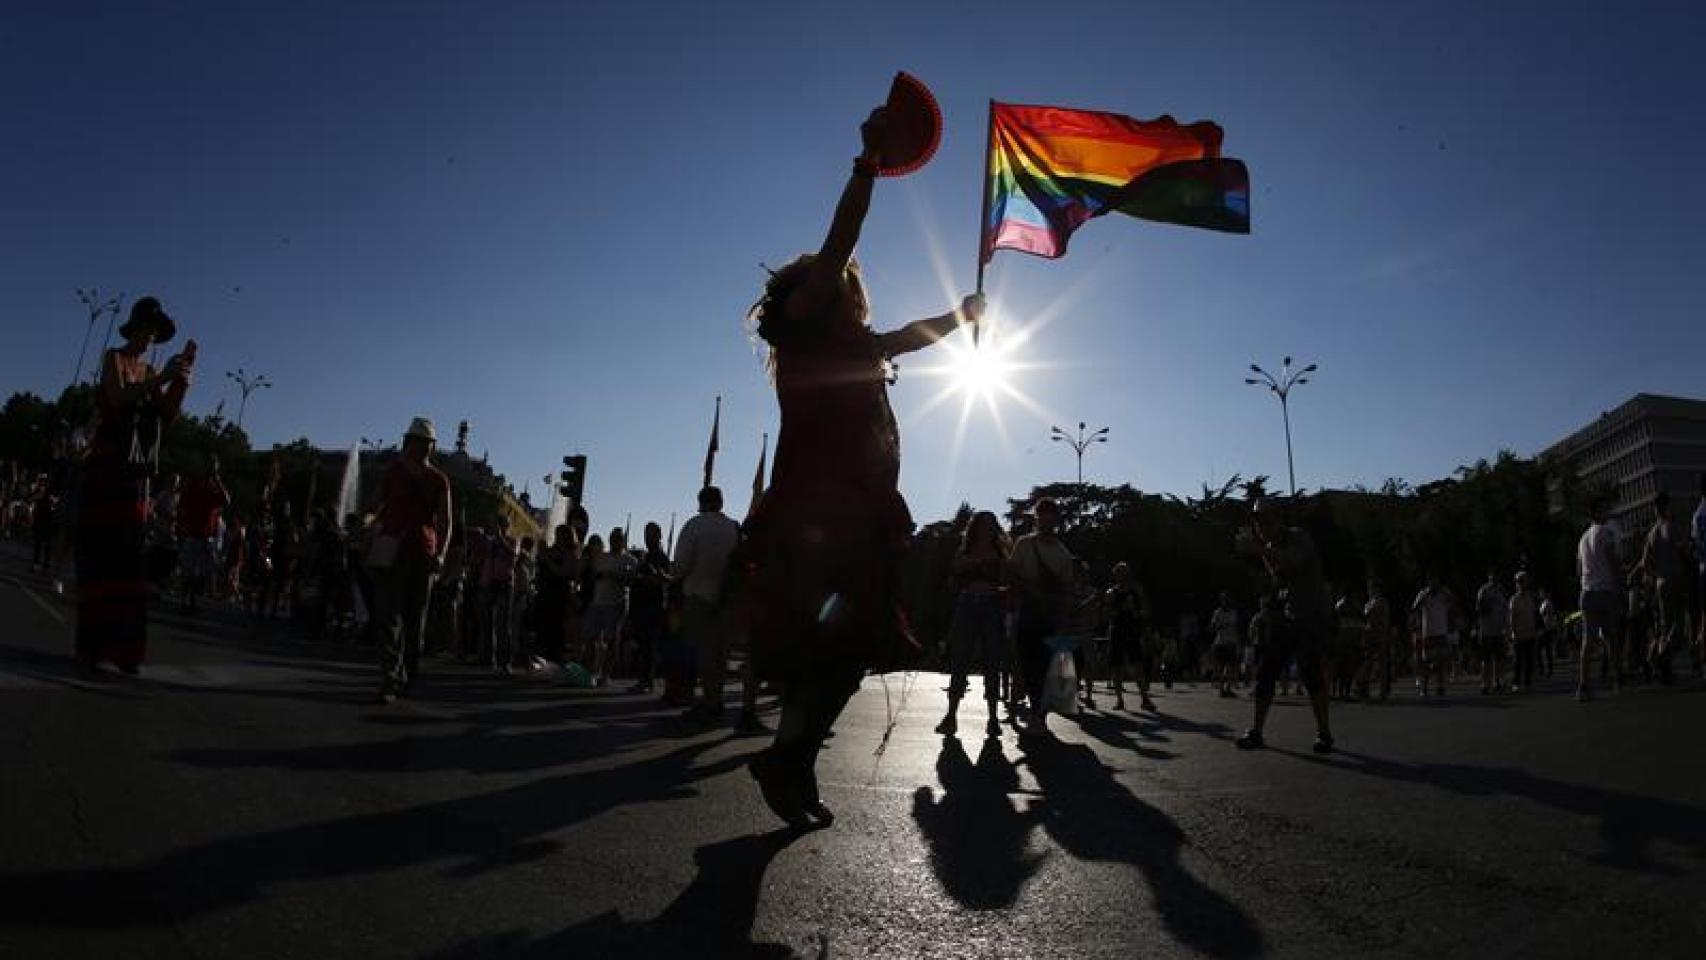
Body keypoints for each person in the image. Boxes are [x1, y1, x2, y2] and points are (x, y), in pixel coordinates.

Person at [740, 103, 986, 829]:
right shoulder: (808, 319)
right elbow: (841, 236)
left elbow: (905, 337)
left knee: (844, 652)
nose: (843, 282)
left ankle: (790, 761)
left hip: (853, 512)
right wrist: (868, 165)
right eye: (832, 277)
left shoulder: (851, 341)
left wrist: (961, 317)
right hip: (823, 514)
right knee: (835, 647)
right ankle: (788, 760)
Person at [73, 296, 191, 675]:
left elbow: (164, 417)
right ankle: (91, 648)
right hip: (106, 472)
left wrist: (180, 384)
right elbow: (118, 396)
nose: (150, 340)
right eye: (146, 331)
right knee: (99, 561)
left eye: (155, 334)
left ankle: (125, 651)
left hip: (134, 479)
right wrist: (160, 379)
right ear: (134, 329)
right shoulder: (115, 359)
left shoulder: (150, 371)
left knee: (128, 567)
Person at [1235, 498, 1334, 753]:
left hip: (1310, 614)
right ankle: (1257, 730)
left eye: (1265, 520)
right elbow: (1279, 577)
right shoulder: (1270, 545)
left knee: (1310, 671)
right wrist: (1264, 553)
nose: (1260, 525)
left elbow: (1293, 562)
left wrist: (1260, 551)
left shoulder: (1298, 537)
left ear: (1278, 520)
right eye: (1257, 521)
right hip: (1288, 614)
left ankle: (1324, 732)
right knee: (1266, 671)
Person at [368, 417, 452, 703]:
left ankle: (408, 676)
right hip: (392, 551)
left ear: (431, 447)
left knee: (415, 622)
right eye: (415, 442)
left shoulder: (438, 479)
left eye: (424, 443)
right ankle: (390, 678)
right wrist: (364, 524)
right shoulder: (393, 472)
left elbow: (446, 522)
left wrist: (440, 554)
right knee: (389, 618)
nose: (418, 448)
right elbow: (375, 504)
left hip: (423, 555)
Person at [935, 510, 1010, 738]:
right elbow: (956, 568)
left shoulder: (1000, 551)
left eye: (990, 524)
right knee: (960, 659)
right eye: (983, 524)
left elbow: (1008, 578)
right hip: (968, 603)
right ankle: (951, 715)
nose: (986, 529)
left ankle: (993, 718)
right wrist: (977, 562)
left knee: (992, 662)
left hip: (990, 604)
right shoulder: (965, 549)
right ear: (975, 527)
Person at [1010, 498, 1076, 734]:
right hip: (1028, 611)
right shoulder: (1024, 544)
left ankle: (1039, 713)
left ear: (1056, 519)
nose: (1046, 520)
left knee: (1045, 665)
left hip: (1049, 614)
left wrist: (1064, 620)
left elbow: (1067, 590)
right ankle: (1033, 708)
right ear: (1037, 518)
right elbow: (1012, 574)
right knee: (1027, 661)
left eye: (1050, 516)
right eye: (1043, 515)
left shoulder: (1062, 553)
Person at [674, 487, 741, 717]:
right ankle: (717, 697)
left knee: (704, 652)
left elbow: (682, 564)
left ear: (701, 502)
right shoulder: (734, 527)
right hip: (726, 597)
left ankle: (709, 700)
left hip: (698, 594)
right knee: (721, 652)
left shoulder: (694, 525)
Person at [1575, 497, 1622, 702]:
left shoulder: (1582, 538)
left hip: (1587, 591)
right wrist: (1619, 581)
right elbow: (1612, 560)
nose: (1605, 514)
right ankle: (1616, 678)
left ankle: (1583, 685)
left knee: (1588, 642)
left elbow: (1578, 570)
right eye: (1602, 510)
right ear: (1597, 513)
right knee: (1612, 636)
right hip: (1604, 590)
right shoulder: (1605, 533)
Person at [1636, 490, 1685, 684]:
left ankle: (1664, 668)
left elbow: (1645, 563)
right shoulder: (1671, 527)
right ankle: (1662, 658)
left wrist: (1656, 575)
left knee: (1665, 625)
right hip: (1675, 578)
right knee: (1679, 626)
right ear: (1667, 506)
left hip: (1660, 582)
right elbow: (1684, 550)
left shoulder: (1651, 533)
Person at [175, 456, 230, 615]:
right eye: (211, 467)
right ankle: (186, 599)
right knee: (189, 571)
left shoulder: (214, 489)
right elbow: (183, 505)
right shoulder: (195, 485)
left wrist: (217, 480)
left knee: (201, 572)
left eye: (215, 467)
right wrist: (181, 527)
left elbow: (227, 500)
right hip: (193, 534)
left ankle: (192, 598)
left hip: (206, 537)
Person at [584, 526, 634, 686]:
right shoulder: (601, 557)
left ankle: (605, 675)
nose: (614, 541)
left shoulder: (630, 560)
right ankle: (591, 672)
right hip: (597, 601)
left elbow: (631, 581)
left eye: (618, 539)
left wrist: (614, 576)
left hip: (616, 603)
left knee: (611, 639)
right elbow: (592, 575)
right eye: (612, 538)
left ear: (623, 541)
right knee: (591, 638)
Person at [1105, 561, 1156, 712]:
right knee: (1116, 666)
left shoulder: (1136, 591)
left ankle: (1145, 698)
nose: (1122, 576)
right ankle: (1120, 699)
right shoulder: (1111, 593)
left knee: (1137, 665)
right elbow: (1107, 615)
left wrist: (1136, 612)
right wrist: (1120, 609)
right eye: (1119, 572)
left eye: (1124, 572)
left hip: (1132, 631)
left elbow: (1145, 611)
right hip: (1117, 631)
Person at [627, 522, 671, 694]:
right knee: (643, 644)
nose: (648, 538)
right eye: (646, 534)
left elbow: (662, 580)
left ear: (659, 535)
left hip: (652, 606)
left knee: (649, 645)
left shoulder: (660, 556)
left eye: (651, 534)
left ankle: (647, 681)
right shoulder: (646, 556)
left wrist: (648, 578)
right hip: (641, 605)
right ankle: (643, 679)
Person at [535, 523, 577, 668]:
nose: (557, 537)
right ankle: (542, 658)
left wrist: (547, 560)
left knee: (557, 628)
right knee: (543, 626)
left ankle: (555, 660)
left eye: (561, 535)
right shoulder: (551, 550)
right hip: (545, 591)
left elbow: (564, 573)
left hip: (559, 593)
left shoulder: (570, 554)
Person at [482, 515, 519, 674]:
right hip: (491, 582)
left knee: (503, 624)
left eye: (503, 525)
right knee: (487, 621)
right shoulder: (491, 542)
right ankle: (488, 656)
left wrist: (501, 540)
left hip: (505, 583)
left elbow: (513, 556)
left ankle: (505, 661)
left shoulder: (512, 541)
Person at [1412, 574, 1451, 697]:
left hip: (1441, 631)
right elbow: (1414, 608)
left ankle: (1440, 686)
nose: (1434, 583)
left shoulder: (1444, 594)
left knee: (1441, 661)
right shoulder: (1423, 594)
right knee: (1426, 662)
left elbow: (1453, 604)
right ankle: (1424, 687)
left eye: (1436, 580)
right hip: (1428, 633)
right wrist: (1423, 597)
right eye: (1431, 581)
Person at [1474, 570, 1510, 694]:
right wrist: (1487, 605)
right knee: (1486, 659)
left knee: (1499, 658)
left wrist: (1507, 626)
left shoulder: (1501, 590)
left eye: (1496, 575)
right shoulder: (1483, 590)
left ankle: (1498, 682)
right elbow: (1478, 608)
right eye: (1492, 575)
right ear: (1488, 576)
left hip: (1499, 629)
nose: (1494, 578)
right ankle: (1485, 683)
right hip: (1486, 630)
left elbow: (1506, 608)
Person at [1360, 580, 1393, 701]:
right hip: (1370, 635)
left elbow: (1383, 618)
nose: (1371, 591)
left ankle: (1383, 691)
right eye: (1369, 589)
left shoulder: (1382, 602)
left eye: (1373, 588)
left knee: (1382, 664)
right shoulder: (1368, 603)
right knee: (1368, 663)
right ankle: (1365, 688)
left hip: (1380, 634)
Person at [1508, 571, 1540, 693]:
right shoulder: (1514, 600)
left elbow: (1535, 615)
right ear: (1516, 584)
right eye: (1519, 581)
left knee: (1529, 660)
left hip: (1530, 632)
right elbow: (1512, 618)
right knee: (1518, 661)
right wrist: (1513, 632)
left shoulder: (1531, 598)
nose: (1521, 584)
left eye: (1523, 581)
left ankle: (1527, 683)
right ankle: (1516, 683)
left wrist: (1536, 629)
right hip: (1518, 634)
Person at [1208, 592, 1240, 698]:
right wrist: (1219, 626)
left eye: (1227, 599)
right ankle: (1222, 689)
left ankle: (1228, 688)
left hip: (1231, 642)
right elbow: (1212, 626)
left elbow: (1235, 627)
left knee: (1231, 667)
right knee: (1221, 667)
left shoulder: (1233, 612)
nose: (1225, 602)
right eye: (1224, 600)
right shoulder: (1217, 612)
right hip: (1221, 642)